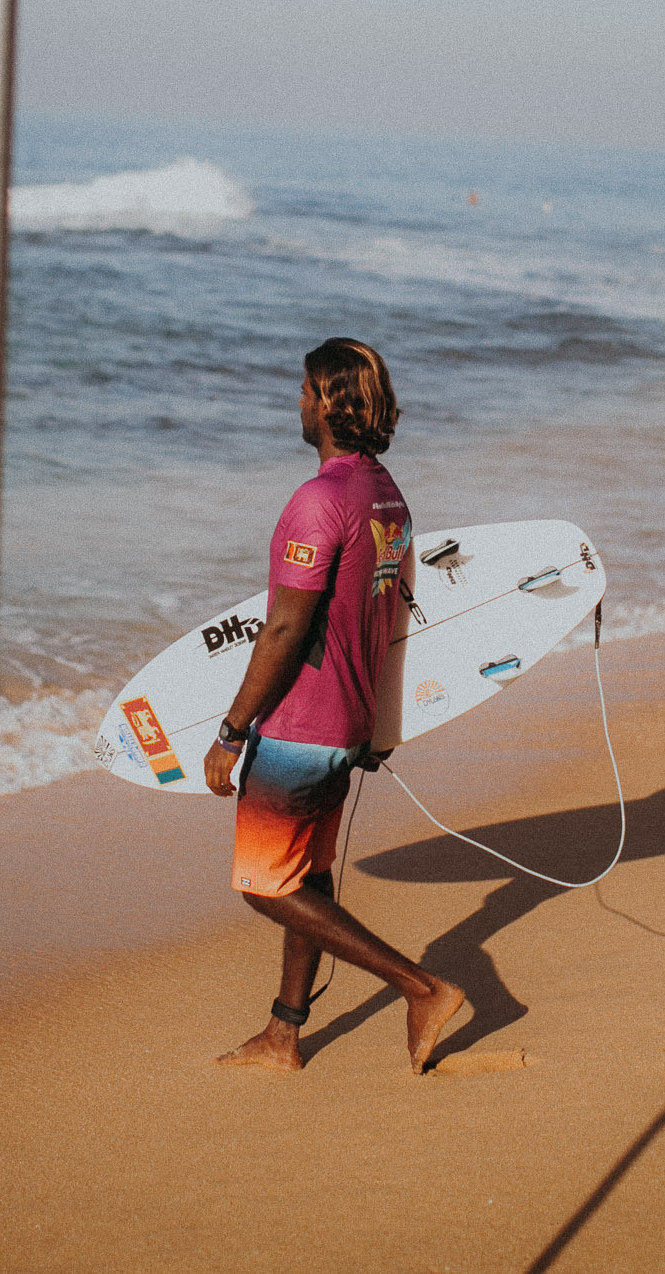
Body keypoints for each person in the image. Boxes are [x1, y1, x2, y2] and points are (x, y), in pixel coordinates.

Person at [202, 337, 466, 1074]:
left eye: (306, 390)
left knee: (265, 884)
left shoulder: (318, 501)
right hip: (346, 721)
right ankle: (285, 1035)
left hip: (299, 724)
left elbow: (285, 626)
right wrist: (378, 724)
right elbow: (393, 620)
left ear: (328, 400)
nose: (298, 402)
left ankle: (422, 985)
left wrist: (232, 728)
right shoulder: (387, 497)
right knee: (309, 878)